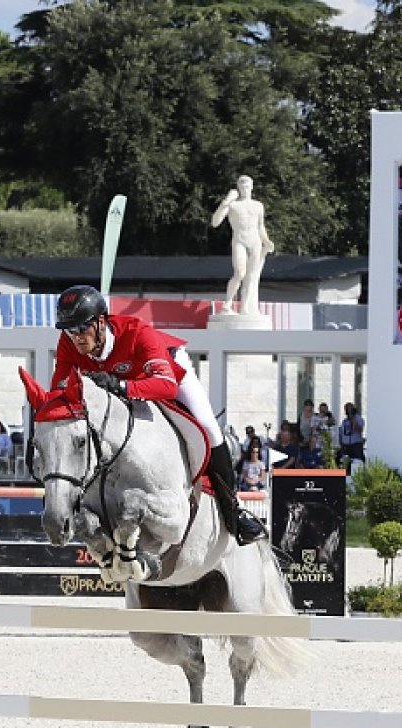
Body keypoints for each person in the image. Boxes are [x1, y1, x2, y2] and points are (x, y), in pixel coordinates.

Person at [49, 284, 265, 545]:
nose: (76, 336)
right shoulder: (68, 344)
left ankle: (234, 509)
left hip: (168, 370)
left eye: (82, 328)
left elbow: (166, 384)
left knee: (208, 427)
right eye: (70, 330)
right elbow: (60, 391)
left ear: (101, 321)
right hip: (124, 383)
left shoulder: (138, 333)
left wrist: (121, 386)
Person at [210, 175, 274, 316]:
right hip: (239, 240)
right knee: (239, 273)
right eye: (241, 186)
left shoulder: (258, 205)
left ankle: (244, 308)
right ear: (238, 188)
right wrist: (226, 202)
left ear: (252, 187)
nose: (244, 189)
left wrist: (266, 240)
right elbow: (215, 222)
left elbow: (260, 226)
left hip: (255, 241)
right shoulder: (233, 205)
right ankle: (227, 304)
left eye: (247, 186)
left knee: (251, 277)